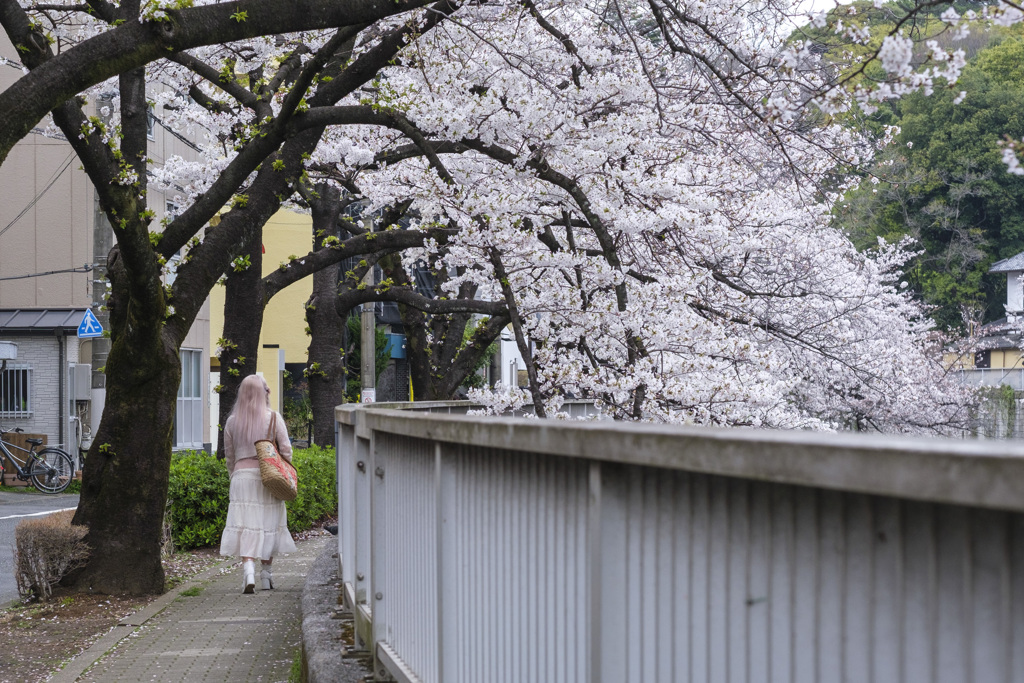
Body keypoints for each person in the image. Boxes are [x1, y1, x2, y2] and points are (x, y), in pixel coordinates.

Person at [219, 374, 297, 593]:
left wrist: (233, 476)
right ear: (264, 392)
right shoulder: (273, 417)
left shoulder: (232, 421)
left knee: (246, 526)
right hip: (268, 477)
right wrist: (283, 469)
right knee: (269, 524)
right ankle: (266, 576)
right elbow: (286, 450)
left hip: (241, 478)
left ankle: (248, 572)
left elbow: (229, 456)